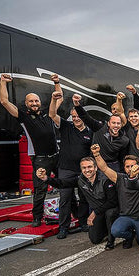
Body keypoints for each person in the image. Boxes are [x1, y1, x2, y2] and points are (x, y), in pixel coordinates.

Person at [0, 73, 60, 227]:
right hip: (40, 158)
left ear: (40, 102)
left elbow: (59, 98)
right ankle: (37, 218)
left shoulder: (49, 113)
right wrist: (3, 82)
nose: (34, 103)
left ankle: (74, 212)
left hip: (57, 156)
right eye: (31, 101)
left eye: (36, 100)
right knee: (40, 190)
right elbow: (4, 101)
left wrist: (57, 83)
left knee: (65, 184)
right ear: (26, 104)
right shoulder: (23, 117)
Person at [35, 157, 118, 249]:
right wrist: (45, 178)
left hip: (111, 209)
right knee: (95, 239)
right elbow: (62, 183)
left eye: (89, 167)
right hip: (99, 212)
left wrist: (94, 213)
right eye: (84, 168)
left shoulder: (105, 179)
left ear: (95, 168)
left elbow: (112, 202)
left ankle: (111, 240)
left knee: (110, 213)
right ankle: (106, 229)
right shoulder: (81, 179)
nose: (87, 170)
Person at [49, 92, 92, 239]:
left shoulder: (90, 132)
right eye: (73, 117)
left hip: (83, 171)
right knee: (65, 198)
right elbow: (52, 114)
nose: (76, 119)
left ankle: (83, 222)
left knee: (84, 197)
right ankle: (63, 227)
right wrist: (54, 100)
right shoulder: (66, 126)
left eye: (78, 116)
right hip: (66, 169)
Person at [91, 144, 139, 250]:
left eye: (133, 166)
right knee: (116, 231)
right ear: (124, 167)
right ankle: (129, 236)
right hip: (126, 216)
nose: (130, 169)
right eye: (127, 166)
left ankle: (138, 234)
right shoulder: (120, 178)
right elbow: (104, 168)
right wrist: (96, 154)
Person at [74, 94, 130, 172]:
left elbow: (122, 158)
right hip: (95, 164)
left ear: (121, 125)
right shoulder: (100, 128)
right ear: (108, 123)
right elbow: (85, 117)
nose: (116, 125)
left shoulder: (124, 140)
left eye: (118, 123)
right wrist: (77, 104)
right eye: (113, 123)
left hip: (112, 166)